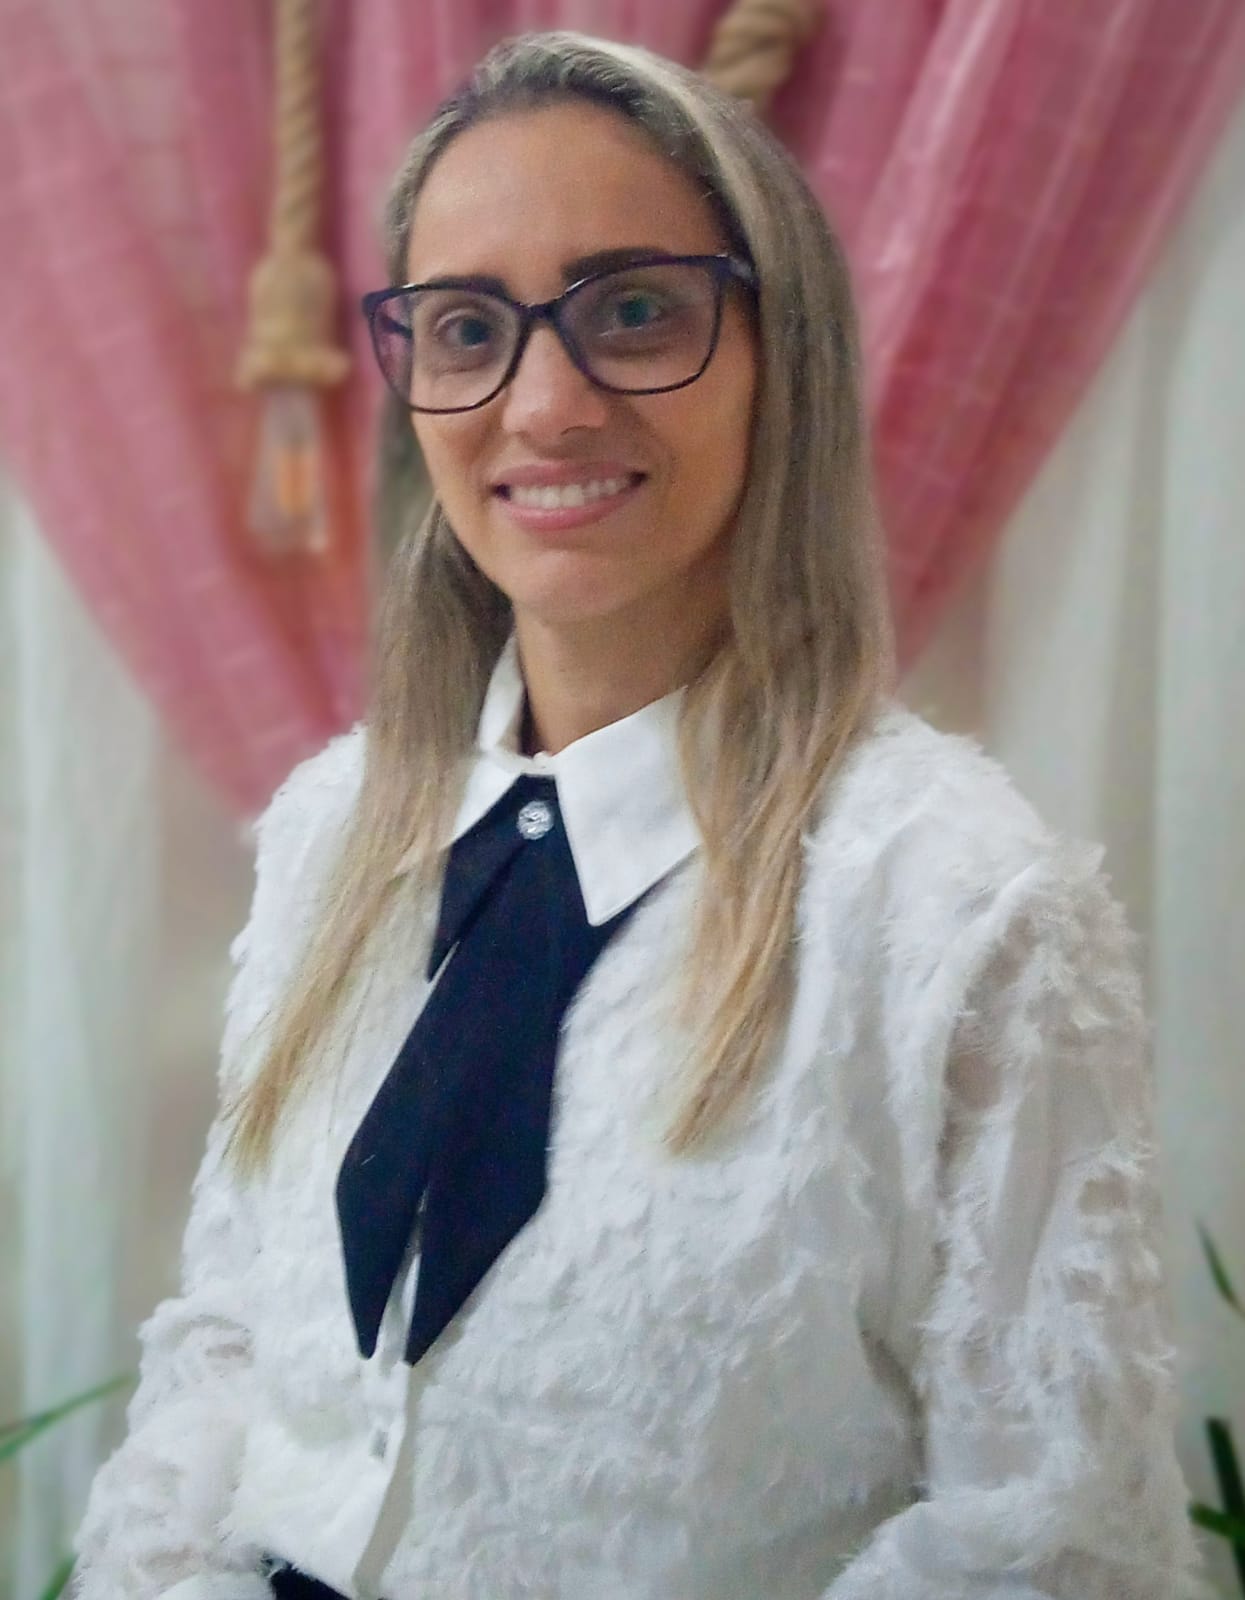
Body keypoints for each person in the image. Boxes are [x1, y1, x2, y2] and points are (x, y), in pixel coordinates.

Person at [73, 29, 1200, 1600]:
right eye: (467, 329)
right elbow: (226, 1347)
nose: (542, 404)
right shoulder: (333, 833)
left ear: (777, 357)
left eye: (633, 311)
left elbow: (1051, 1541)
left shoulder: (957, 906)